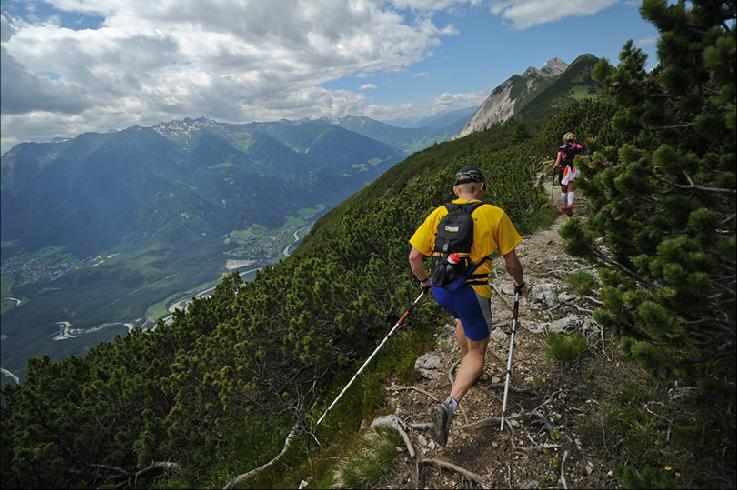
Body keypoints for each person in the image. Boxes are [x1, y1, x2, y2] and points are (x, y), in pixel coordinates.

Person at [408, 165, 525, 446]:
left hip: (441, 289)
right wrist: (519, 284)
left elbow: (414, 257)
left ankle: (467, 367)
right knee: (477, 350)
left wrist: (425, 283)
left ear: (456, 191)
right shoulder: (494, 214)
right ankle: (449, 405)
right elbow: (511, 263)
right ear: (481, 188)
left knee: (462, 320)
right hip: (473, 291)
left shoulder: (439, 213)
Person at [554, 132, 583, 216]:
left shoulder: (562, 148)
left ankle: (564, 206)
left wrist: (556, 166)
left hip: (564, 169)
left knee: (564, 189)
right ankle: (570, 205)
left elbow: (558, 159)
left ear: (564, 140)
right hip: (574, 168)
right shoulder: (577, 147)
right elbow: (580, 157)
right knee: (570, 188)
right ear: (573, 139)